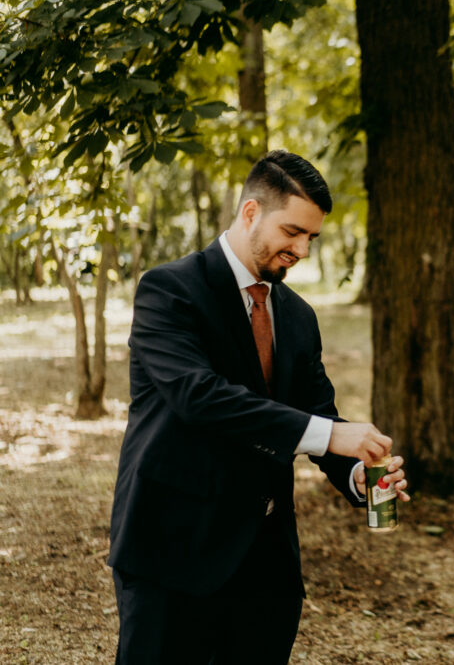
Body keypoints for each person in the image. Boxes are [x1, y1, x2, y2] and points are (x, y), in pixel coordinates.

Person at [108, 150, 410, 664]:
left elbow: (318, 412)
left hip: (267, 568)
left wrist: (355, 473)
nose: (302, 250)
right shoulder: (169, 290)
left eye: (311, 237)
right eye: (292, 232)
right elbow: (199, 396)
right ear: (250, 212)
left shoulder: (298, 316)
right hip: (173, 551)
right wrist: (329, 434)